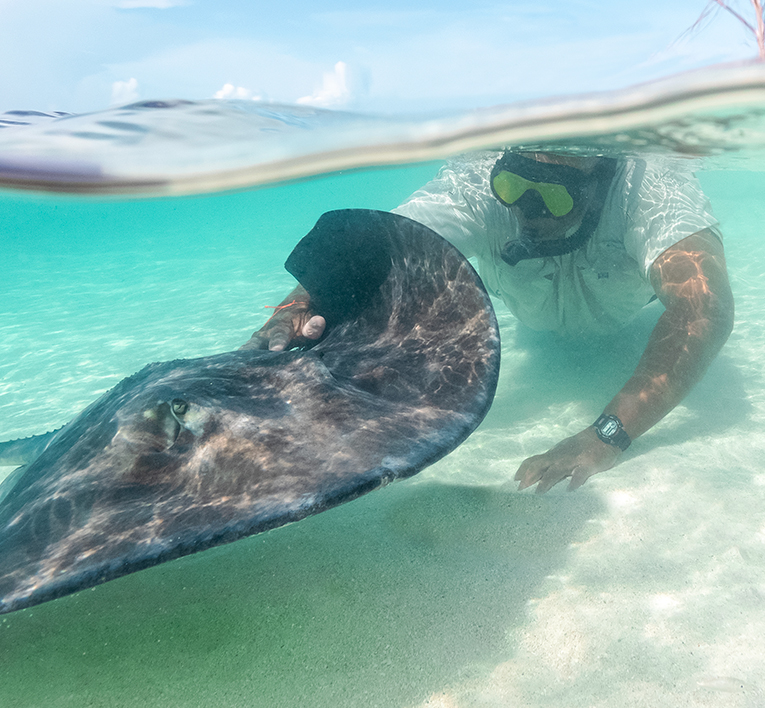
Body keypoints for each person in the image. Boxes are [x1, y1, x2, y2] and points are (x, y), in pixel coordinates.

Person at [243, 150, 734, 493]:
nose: (524, 209)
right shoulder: (479, 182)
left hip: (629, 322)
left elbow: (703, 307)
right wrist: (300, 303)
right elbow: (383, 243)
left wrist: (609, 433)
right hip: (538, 327)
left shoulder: (649, 187)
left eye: (552, 196)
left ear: (600, 184)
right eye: (512, 186)